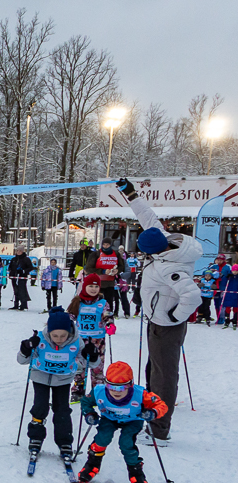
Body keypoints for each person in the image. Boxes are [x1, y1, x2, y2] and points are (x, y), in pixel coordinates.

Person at [118, 177, 201, 441]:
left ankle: (158, 428)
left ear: (152, 252)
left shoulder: (170, 266)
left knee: (164, 375)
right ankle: (149, 412)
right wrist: (130, 194)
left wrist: (172, 317)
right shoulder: (164, 241)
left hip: (166, 326)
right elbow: (148, 217)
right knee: (154, 370)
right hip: (159, 321)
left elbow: (193, 296)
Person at [16, 306, 101, 465]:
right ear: (49, 330)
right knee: (40, 407)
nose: (59, 339)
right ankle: (35, 437)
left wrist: (92, 354)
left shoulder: (77, 341)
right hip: (40, 376)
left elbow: (90, 363)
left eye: (63, 335)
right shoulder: (40, 339)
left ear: (70, 331)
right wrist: (26, 348)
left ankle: (64, 441)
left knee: (62, 409)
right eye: (55, 335)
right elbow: (22, 360)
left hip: (63, 379)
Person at [77, 361, 168, 483]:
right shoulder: (99, 392)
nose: (116, 392)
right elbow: (86, 402)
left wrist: (153, 412)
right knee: (103, 437)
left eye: (121, 388)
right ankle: (93, 463)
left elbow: (161, 404)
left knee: (126, 443)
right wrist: (89, 413)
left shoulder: (140, 394)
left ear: (130, 385)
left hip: (133, 420)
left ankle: (136, 473)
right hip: (109, 418)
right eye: (111, 387)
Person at [66, 273, 113, 402]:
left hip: (98, 341)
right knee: (80, 366)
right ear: (85, 286)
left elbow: (107, 315)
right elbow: (70, 316)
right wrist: (66, 325)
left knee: (97, 366)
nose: (93, 289)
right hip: (81, 340)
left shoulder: (102, 303)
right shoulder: (78, 301)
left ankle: (97, 392)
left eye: (96, 286)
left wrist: (109, 324)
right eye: (90, 286)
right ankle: (78, 390)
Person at [85, 238, 125, 313]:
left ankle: (109, 318)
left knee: (109, 303)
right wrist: (103, 271)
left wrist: (117, 271)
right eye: (104, 244)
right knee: (97, 302)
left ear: (110, 245)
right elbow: (89, 269)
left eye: (107, 244)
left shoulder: (116, 254)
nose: (105, 246)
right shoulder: (96, 254)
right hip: (97, 283)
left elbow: (122, 266)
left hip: (110, 283)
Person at [210, 254, 231, 323]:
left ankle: (222, 318)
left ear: (224, 260)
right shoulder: (214, 266)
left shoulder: (227, 267)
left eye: (221, 260)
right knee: (216, 302)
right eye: (218, 259)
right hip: (216, 288)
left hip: (224, 288)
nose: (219, 261)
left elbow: (230, 276)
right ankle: (218, 317)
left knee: (222, 303)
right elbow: (207, 274)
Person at [217, 264, 238, 328]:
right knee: (227, 308)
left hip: (236, 295)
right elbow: (223, 283)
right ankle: (227, 320)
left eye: (236, 271)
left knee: (236, 308)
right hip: (228, 294)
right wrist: (226, 277)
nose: (235, 272)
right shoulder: (229, 277)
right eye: (234, 271)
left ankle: (235, 320)